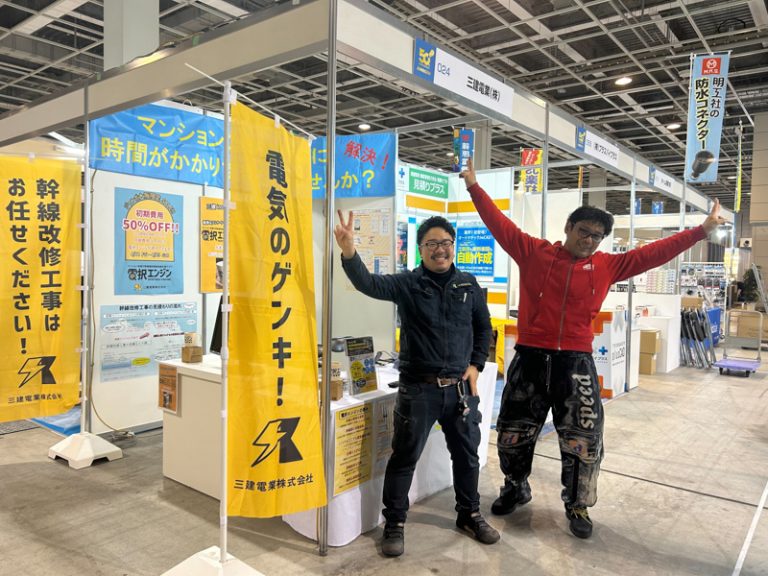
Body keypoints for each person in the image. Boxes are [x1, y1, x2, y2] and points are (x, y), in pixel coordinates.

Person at [460, 158, 725, 539]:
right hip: (530, 357)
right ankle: (515, 486)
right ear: (568, 228)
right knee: (513, 431)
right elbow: (498, 223)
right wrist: (473, 184)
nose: (589, 241)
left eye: (597, 237)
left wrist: (701, 231)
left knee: (583, 438)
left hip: (576, 363)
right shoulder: (533, 252)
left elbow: (655, 253)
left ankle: (577, 504)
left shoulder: (607, 266)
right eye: (583, 232)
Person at [334, 211, 498, 557]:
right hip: (418, 390)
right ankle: (394, 523)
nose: (440, 249)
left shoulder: (468, 284)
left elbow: (484, 328)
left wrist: (475, 365)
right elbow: (369, 284)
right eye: (432, 243)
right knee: (404, 458)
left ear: (453, 246)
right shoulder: (408, 284)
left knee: (467, 457)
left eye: (446, 242)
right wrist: (349, 252)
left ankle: (469, 514)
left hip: (460, 391)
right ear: (421, 249)